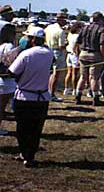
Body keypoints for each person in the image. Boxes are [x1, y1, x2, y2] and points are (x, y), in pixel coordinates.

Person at [8, 26, 53, 167]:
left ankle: (25, 154)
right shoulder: (49, 53)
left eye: (28, 37)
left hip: (25, 97)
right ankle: (30, 155)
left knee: (22, 128)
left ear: (33, 39)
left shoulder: (26, 54)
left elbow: (12, 72)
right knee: (36, 129)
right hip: (42, 98)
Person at [75, 12, 104, 106]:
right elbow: (102, 45)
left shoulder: (84, 28)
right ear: (100, 19)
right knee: (94, 78)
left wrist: (78, 54)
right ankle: (95, 98)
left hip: (83, 53)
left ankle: (78, 96)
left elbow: (77, 42)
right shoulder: (101, 29)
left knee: (83, 76)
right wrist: (103, 56)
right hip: (95, 55)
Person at [45, 12, 67, 101]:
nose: (66, 21)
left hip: (48, 50)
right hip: (57, 52)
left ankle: (48, 92)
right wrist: (66, 44)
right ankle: (52, 93)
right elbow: (62, 46)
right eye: (64, 19)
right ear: (60, 20)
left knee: (50, 73)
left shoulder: (48, 28)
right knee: (56, 74)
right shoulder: (60, 31)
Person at [0, 22, 17, 136]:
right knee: (1, 107)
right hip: (5, 81)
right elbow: (10, 63)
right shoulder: (8, 46)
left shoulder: (1, 45)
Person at [64, 22, 82, 95]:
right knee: (75, 73)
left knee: (69, 73)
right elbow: (77, 48)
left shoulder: (70, 35)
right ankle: (74, 89)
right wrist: (78, 58)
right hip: (74, 55)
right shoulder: (78, 36)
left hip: (68, 54)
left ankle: (66, 89)